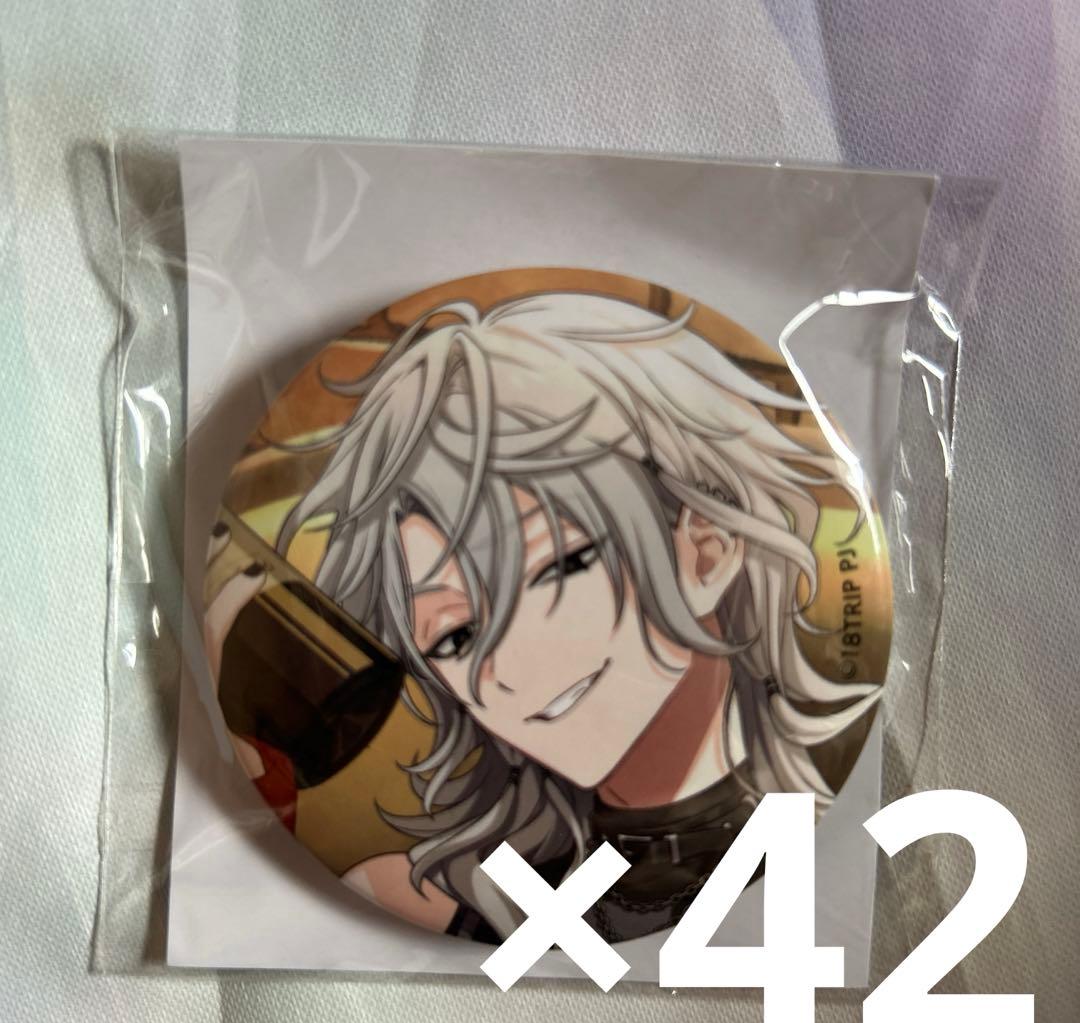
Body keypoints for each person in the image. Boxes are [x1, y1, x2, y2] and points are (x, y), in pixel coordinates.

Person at [206, 290, 880, 943]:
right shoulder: (441, 895)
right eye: (455, 635)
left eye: (561, 565)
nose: (508, 666)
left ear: (706, 549)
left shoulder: (844, 821)